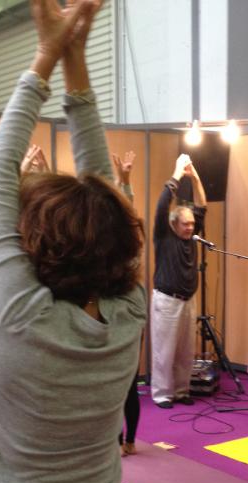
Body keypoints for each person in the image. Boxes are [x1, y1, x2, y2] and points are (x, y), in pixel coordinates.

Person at [0, 1, 146, 483]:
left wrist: (51, 55)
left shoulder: (22, 313)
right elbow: (103, 195)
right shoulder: (130, 311)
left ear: (35, 242)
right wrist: (70, 63)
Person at [150, 153, 207, 409]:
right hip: (166, 300)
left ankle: (182, 391)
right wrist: (176, 174)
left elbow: (202, 205)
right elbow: (163, 205)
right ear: (174, 223)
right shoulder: (163, 234)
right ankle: (162, 394)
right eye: (185, 224)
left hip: (188, 299)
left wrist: (195, 178)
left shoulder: (192, 236)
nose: (190, 228)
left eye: (192, 224)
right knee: (164, 350)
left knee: (185, 350)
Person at [113, 150, 141, 455]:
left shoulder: (130, 254)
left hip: (129, 322)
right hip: (108, 322)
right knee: (111, 387)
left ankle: (129, 440)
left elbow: (127, 218)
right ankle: (116, 440)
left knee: (129, 384)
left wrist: (126, 183)